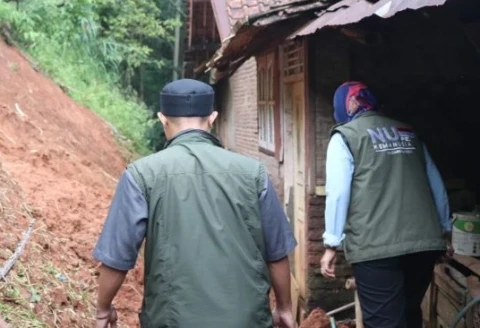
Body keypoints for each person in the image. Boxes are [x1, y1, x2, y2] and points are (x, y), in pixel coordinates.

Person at [93, 79, 297, 328]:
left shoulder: (141, 175)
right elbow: (276, 252)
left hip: (173, 321)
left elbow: (117, 256)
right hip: (247, 320)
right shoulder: (253, 173)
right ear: (212, 118)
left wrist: (103, 309)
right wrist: (285, 308)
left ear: (162, 119)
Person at [320, 81, 453, 328]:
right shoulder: (408, 132)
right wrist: (445, 231)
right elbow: (436, 184)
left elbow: (338, 193)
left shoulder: (346, 137)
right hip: (423, 245)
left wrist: (332, 244)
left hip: (376, 248)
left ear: (344, 107)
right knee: (409, 313)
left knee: (385, 323)